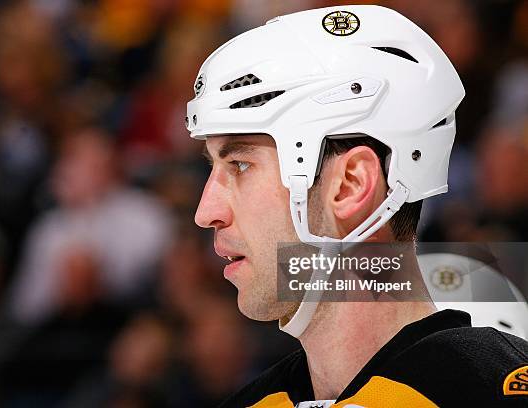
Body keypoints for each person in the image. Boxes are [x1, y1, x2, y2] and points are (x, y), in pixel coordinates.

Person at [187, 5, 528, 407]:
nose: (205, 211)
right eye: (213, 167)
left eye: (240, 165)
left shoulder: (488, 389)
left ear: (351, 185)